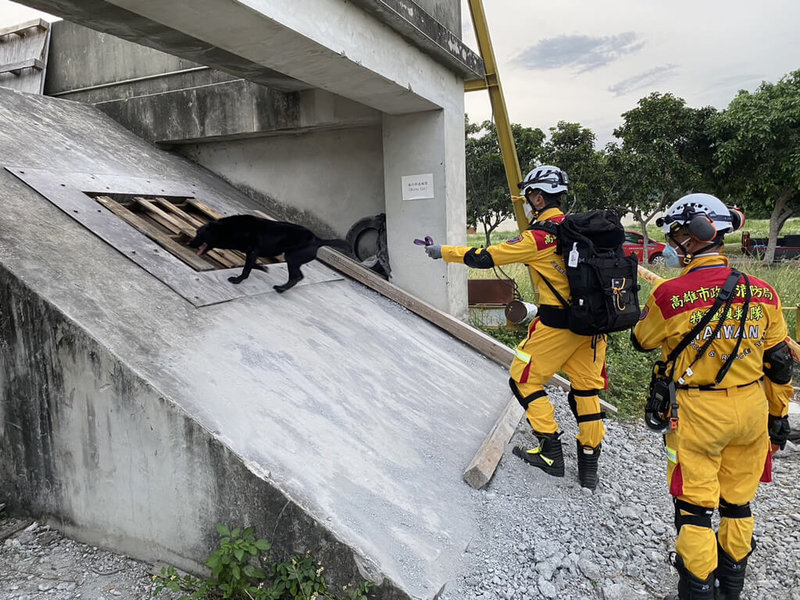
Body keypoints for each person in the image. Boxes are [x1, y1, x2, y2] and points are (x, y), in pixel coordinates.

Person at [631, 193, 793, 600]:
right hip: (752, 410)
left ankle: (698, 589)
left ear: (693, 236)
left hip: (698, 414)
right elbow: (778, 364)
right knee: (738, 505)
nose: (671, 244)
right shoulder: (765, 293)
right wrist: (778, 418)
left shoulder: (671, 295)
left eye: (675, 236)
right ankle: (731, 586)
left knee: (695, 511)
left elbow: (641, 340)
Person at [422, 165, 608, 490]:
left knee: (523, 379)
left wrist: (444, 252)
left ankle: (550, 452)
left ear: (538, 197)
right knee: (586, 389)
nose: (526, 203)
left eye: (528, 198)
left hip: (557, 325)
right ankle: (589, 464)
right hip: (595, 325)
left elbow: (485, 257)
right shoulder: (583, 231)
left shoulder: (539, 237)